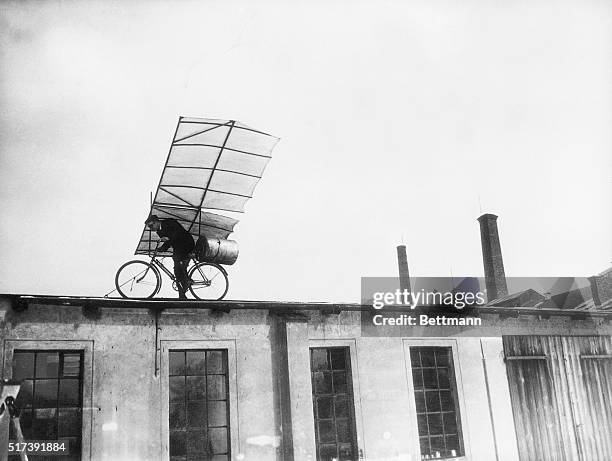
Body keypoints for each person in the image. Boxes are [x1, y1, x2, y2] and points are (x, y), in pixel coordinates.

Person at [145, 215, 195, 299]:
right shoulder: (159, 232)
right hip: (179, 247)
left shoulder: (169, 222)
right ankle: (183, 292)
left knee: (177, 268)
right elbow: (168, 242)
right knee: (179, 269)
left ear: (156, 222)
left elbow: (177, 234)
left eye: (151, 226)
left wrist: (166, 243)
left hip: (186, 243)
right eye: (149, 227)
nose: (151, 228)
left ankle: (184, 288)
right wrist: (161, 249)